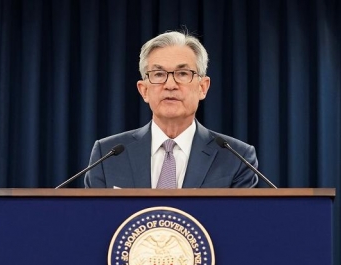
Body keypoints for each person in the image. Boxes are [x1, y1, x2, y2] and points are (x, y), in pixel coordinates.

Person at [84, 30, 260, 188]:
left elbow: (239, 223)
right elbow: (94, 220)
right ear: (143, 90)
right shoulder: (107, 154)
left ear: (203, 87)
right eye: (159, 74)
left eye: (182, 74)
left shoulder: (237, 157)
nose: (170, 85)